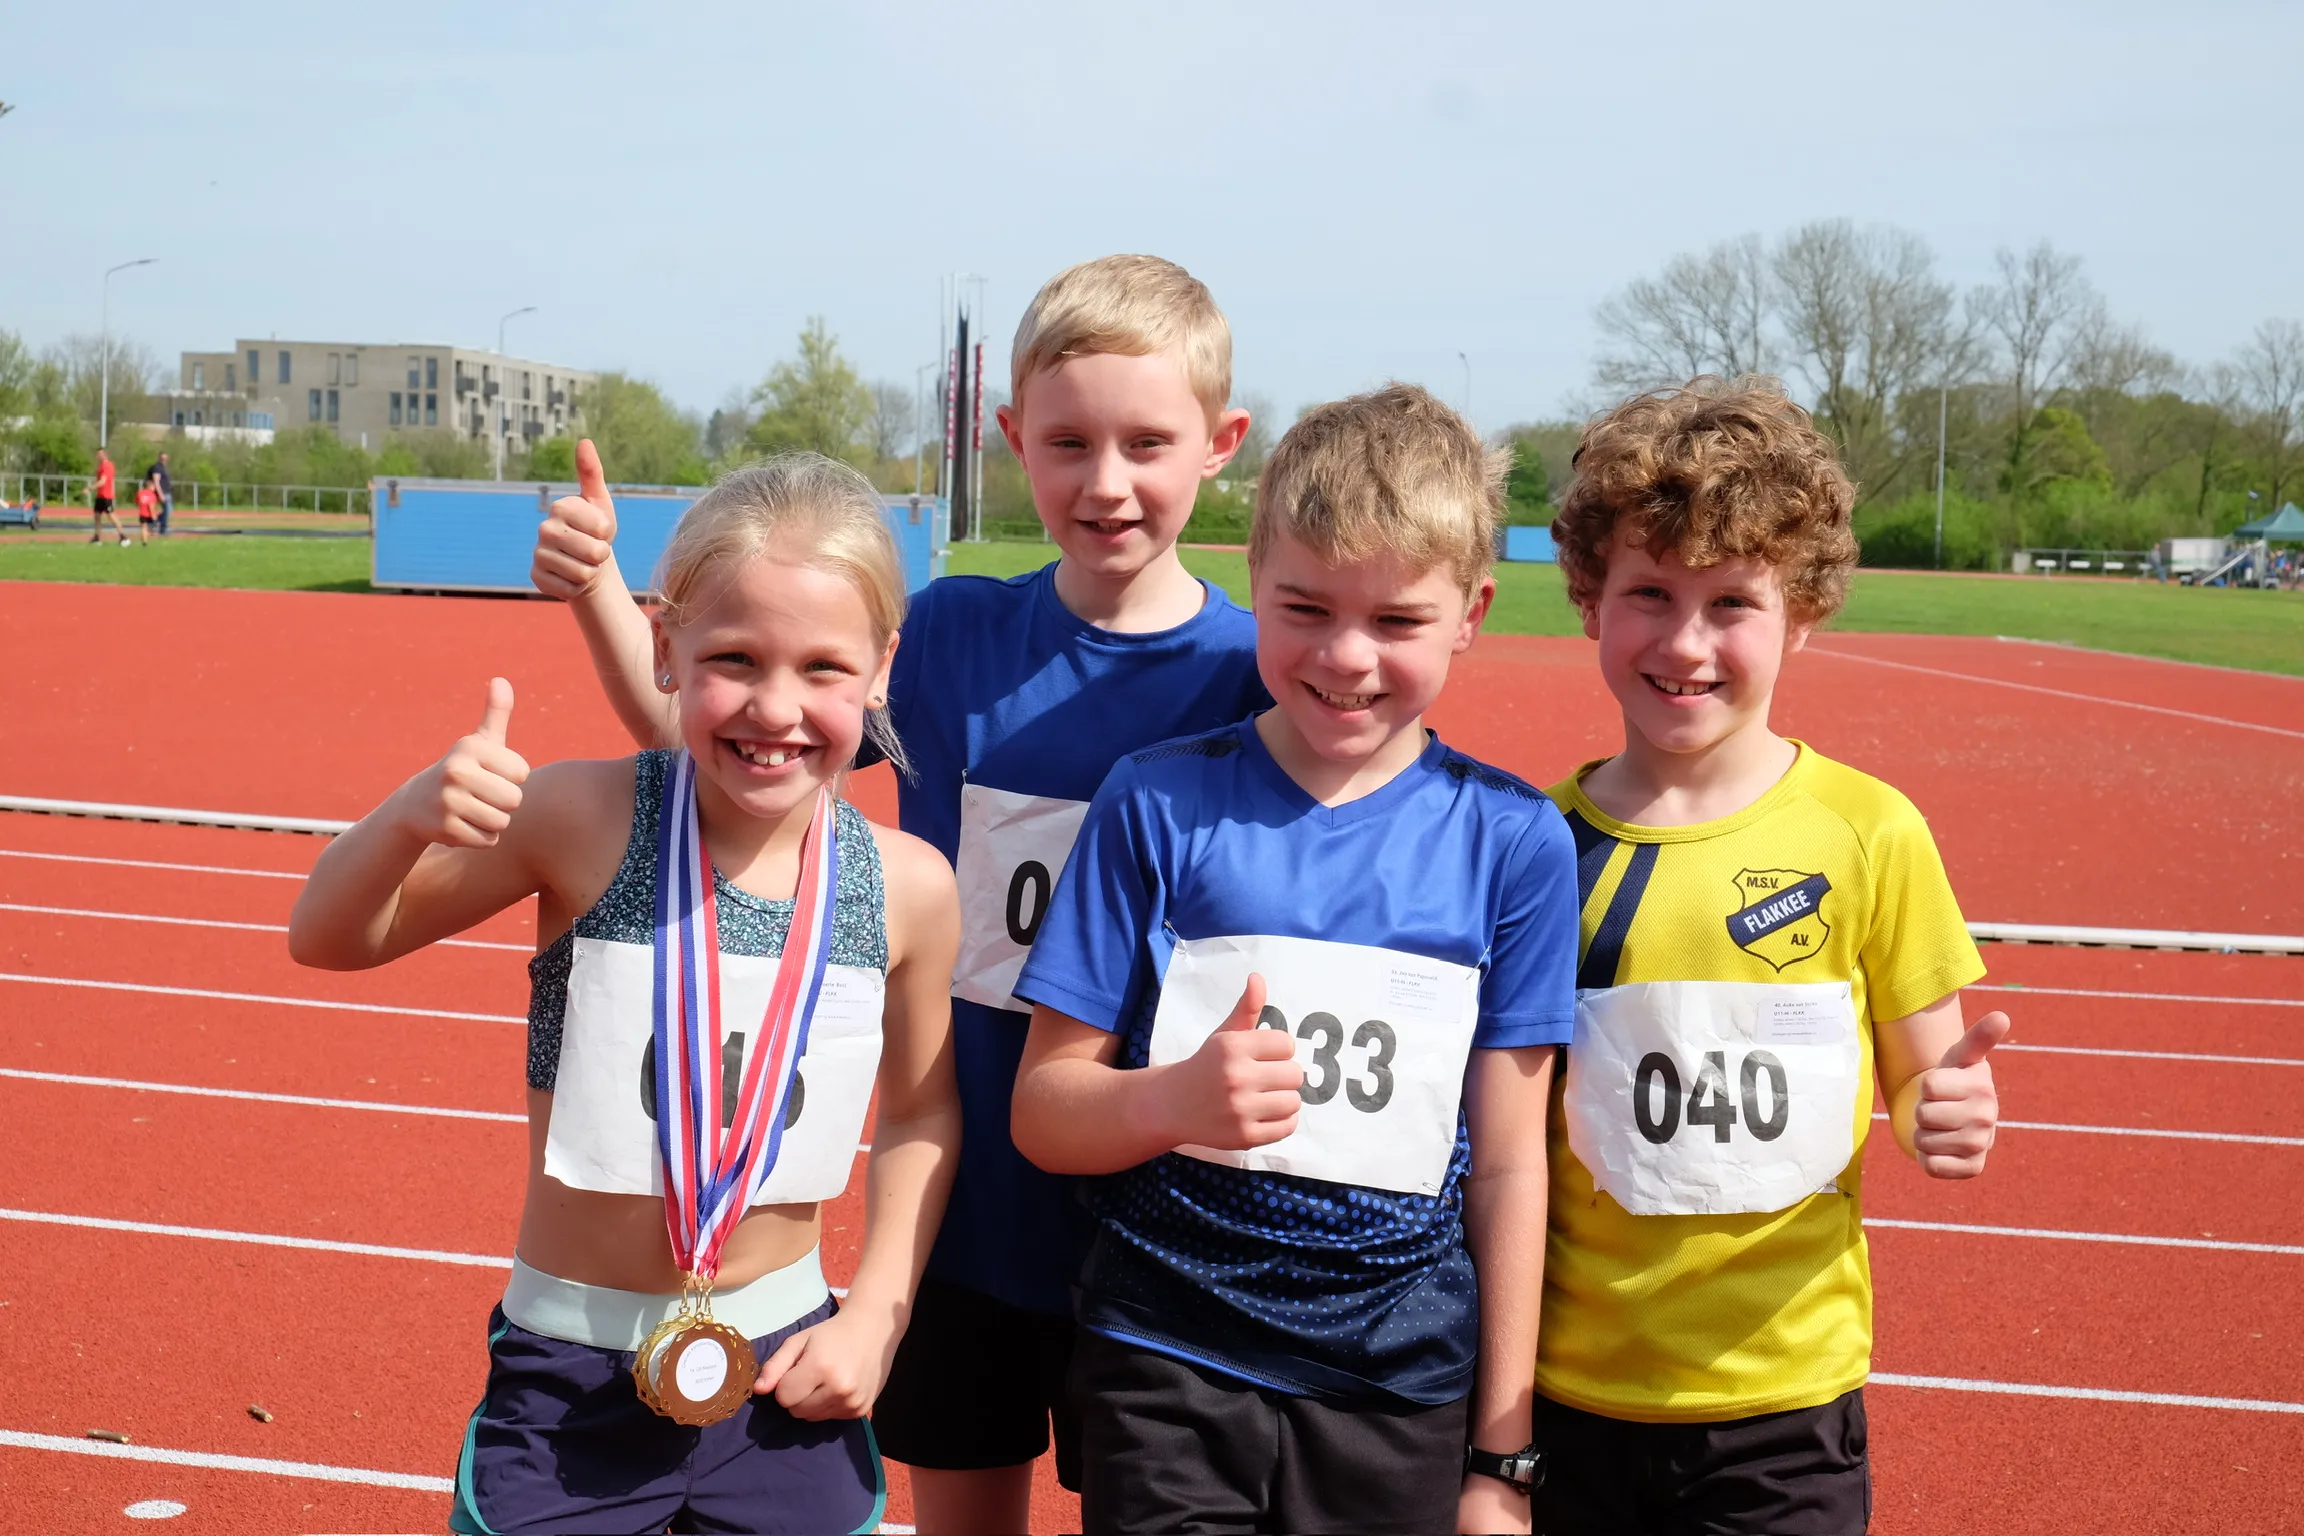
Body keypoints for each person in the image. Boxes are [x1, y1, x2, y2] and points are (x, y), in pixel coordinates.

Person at [530, 254, 1267, 1533]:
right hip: (967, 1207)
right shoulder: (957, 636)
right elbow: (712, 741)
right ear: (1010, 442)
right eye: (1069, 441)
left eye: (1148, 442)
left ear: (1221, 444)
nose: (1107, 481)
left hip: (1163, 1221)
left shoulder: (1265, 673)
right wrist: (601, 590)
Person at [290, 455, 963, 1535]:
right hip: (569, 1374)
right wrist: (410, 815)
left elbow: (924, 1108)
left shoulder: (910, 889)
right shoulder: (583, 818)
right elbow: (326, 938)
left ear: (883, 668)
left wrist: (878, 1316)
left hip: (788, 1366)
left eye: (824, 668)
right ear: (665, 649)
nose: (775, 706)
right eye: (734, 658)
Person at [1009, 384, 1580, 1536]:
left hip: (1397, 1373)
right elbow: (1045, 1108)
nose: (1346, 657)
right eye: (1305, 608)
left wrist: (1501, 1461)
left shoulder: (1514, 843)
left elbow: (1513, 1165)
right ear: (1253, 579)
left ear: (1470, 612)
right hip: (1165, 1352)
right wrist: (1174, 1098)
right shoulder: (1159, 802)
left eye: (1399, 622)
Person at [1531, 377, 2010, 1535]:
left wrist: (1945, 1112)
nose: (1685, 643)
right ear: (1591, 600)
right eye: (1649, 592)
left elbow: (1927, 1080)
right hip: (1572, 1393)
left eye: (1731, 602)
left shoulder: (1868, 831)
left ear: (1803, 611)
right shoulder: (1536, 842)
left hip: (1785, 1401)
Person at [89, 450, 129, 546]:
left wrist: (90, 488)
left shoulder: (107, 466)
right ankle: (97, 537)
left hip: (106, 496)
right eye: (97, 454)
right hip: (100, 495)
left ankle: (123, 536)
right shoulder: (101, 466)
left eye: (99, 454)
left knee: (111, 515)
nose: (97, 456)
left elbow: (103, 481)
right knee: (97, 516)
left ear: (105, 455)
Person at [147, 450, 174, 536]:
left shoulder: (163, 467)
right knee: (167, 511)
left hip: (167, 492)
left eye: (165, 457)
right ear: (160, 457)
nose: (164, 459)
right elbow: (156, 481)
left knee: (168, 511)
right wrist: (160, 494)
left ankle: (152, 522)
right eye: (162, 457)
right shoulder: (157, 467)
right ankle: (162, 529)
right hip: (163, 492)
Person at [133, 474, 159, 545]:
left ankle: (144, 541)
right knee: (150, 529)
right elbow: (151, 505)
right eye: (153, 486)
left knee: (143, 528)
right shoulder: (152, 494)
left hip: (142, 513)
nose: (154, 488)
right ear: (149, 486)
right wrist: (153, 515)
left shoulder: (139, 493)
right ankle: (147, 537)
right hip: (149, 514)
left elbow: (137, 502)